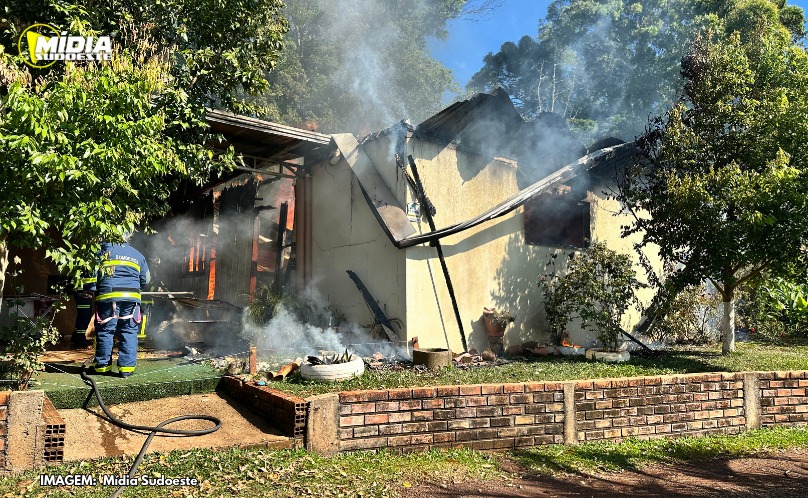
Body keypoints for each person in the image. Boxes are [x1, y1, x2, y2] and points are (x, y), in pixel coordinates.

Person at [90, 239, 150, 378]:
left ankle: (102, 368)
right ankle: (126, 369)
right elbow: (146, 280)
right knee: (129, 331)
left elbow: (91, 273)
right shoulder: (138, 255)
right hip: (132, 299)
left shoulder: (101, 251)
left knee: (105, 331)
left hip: (108, 296)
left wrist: (90, 289)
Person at [71, 274, 96, 348]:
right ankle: (79, 340)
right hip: (83, 292)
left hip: (84, 292)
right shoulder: (86, 265)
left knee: (84, 317)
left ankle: (77, 338)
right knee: (84, 317)